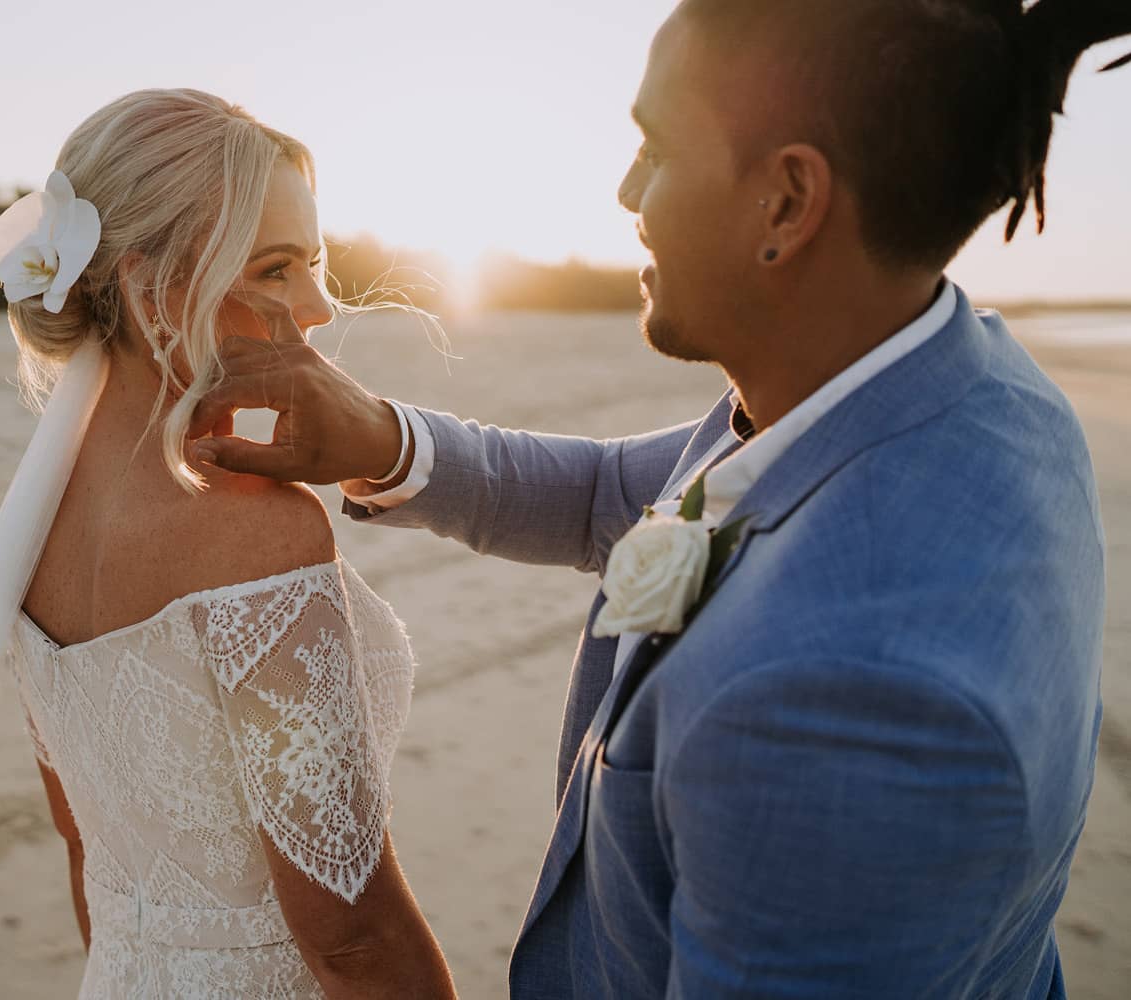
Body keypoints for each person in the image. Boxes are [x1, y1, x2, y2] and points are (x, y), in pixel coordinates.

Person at [187, 2, 1131, 995]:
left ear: (786, 201)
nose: (627, 189)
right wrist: (380, 437)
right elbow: (613, 494)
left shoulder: (836, 704)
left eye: (655, 148)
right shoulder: (971, 389)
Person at [0, 89, 454, 999]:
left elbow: (87, 847)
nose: (319, 307)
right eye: (277, 269)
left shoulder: (31, 523)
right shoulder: (259, 526)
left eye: (315, 263)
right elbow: (353, 939)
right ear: (150, 289)